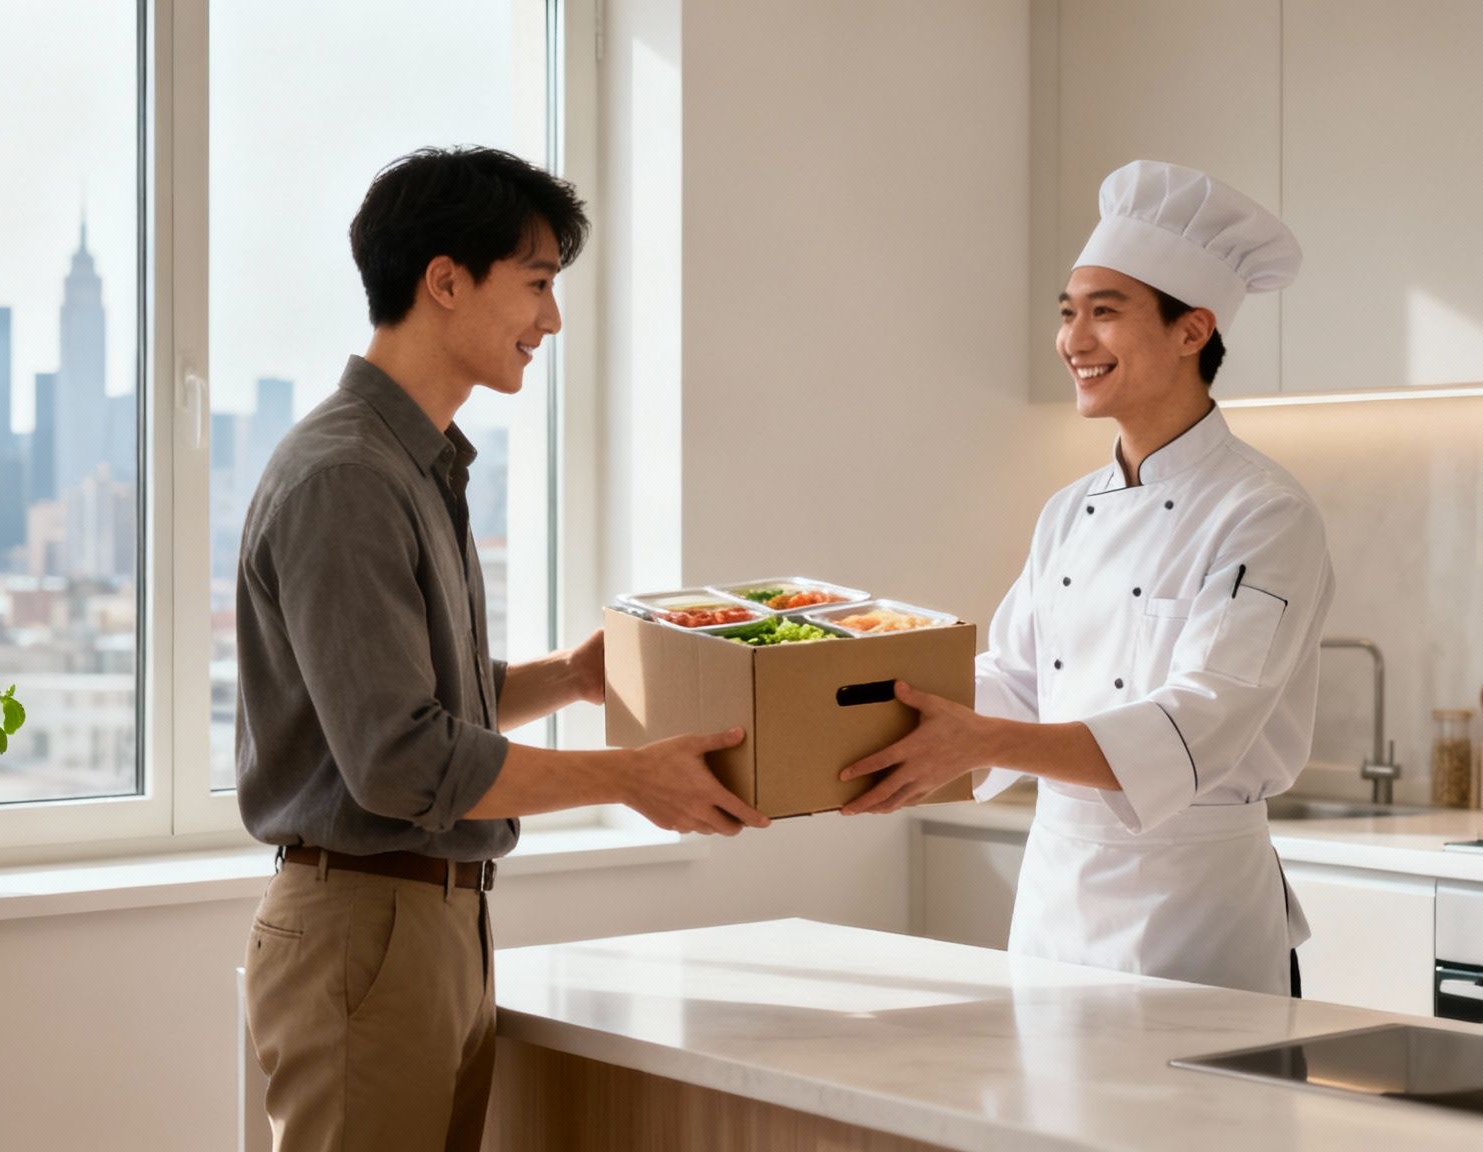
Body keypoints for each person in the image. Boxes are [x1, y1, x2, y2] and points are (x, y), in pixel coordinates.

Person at [236, 146, 769, 1152]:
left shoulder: (413, 463)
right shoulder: (348, 477)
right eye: (536, 284)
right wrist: (631, 778)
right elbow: (398, 759)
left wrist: (567, 680)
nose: (551, 320)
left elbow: (422, 696)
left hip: (426, 922)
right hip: (371, 922)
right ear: (444, 280)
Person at [840, 159, 1333, 997]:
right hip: (1055, 899)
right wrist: (883, 722)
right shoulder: (1070, 510)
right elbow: (1018, 681)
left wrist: (980, 740)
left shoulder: (1265, 513)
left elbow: (1196, 725)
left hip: (1196, 915)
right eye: (1068, 314)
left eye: (1105, 313)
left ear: (1191, 331)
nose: (1073, 340)